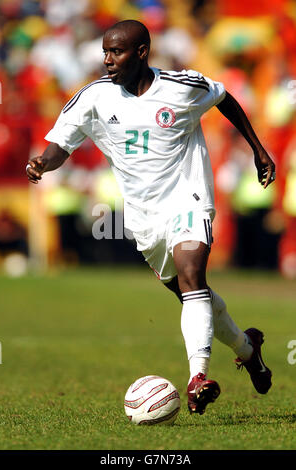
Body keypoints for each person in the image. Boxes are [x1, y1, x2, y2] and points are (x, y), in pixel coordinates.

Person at [26, 20, 275, 415]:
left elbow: (224, 97)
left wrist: (259, 150)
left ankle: (198, 377)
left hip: (189, 198)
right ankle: (248, 349)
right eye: (105, 52)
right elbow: (61, 143)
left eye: (117, 52)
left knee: (194, 276)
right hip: (144, 218)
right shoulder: (94, 97)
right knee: (195, 298)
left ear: (141, 52)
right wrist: (43, 162)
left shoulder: (182, 86)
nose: (107, 60)